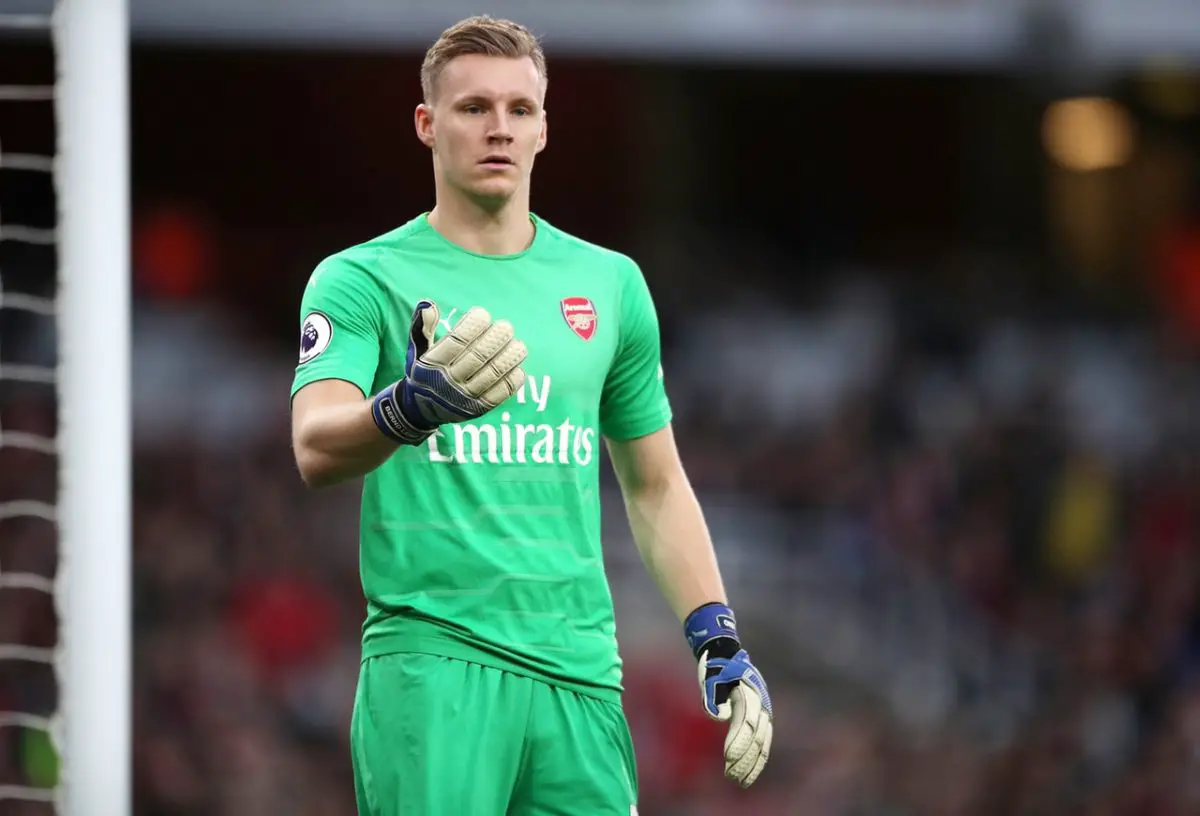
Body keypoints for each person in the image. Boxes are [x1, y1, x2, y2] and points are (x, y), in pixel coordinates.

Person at [289, 15, 773, 815]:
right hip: (434, 662)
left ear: (544, 128)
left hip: (582, 678)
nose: (499, 128)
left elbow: (654, 484)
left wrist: (716, 635)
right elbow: (313, 445)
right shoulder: (359, 279)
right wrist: (406, 408)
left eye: (519, 109)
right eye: (474, 107)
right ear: (427, 124)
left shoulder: (611, 284)